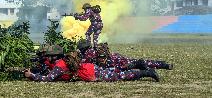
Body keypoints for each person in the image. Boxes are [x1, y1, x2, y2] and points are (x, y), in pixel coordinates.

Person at [24, 51, 160, 82]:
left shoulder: (59, 66)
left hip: (91, 73)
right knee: (115, 72)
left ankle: (147, 72)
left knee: (119, 77)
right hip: (91, 68)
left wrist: (32, 75)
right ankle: (139, 67)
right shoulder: (61, 61)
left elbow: (48, 78)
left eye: (46, 56)